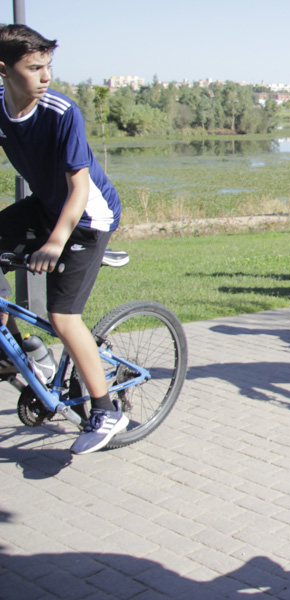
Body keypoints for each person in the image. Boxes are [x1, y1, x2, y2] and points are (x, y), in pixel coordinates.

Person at [0, 25, 125, 454]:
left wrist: (55, 242)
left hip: (87, 215)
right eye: (34, 68)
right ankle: (24, 350)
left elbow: (79, 188)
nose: (45, 75)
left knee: (62, 316)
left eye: (47, 66)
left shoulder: (61, 111)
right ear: (4, 70)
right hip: (46, 204)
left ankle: (106, 410)